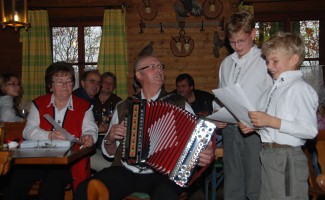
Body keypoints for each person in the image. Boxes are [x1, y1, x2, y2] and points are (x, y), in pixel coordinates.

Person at [75, 55, 215, 200]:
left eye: (160, 67)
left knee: (165, 195)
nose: (159, 70)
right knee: (85, 190)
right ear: (139, 75)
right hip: (125, 171)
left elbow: (198, 139)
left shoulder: (179, 103)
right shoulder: (124, 106)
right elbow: (110, 153)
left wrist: (204, 151)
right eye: (152, 67)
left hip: (162, 175)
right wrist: (110, 138)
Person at [238, 32, 318, 199]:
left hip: (286, 158)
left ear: (293, 59)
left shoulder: (299, 89)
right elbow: (274, 128)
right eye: (267, 61)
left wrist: (271, 121)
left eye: (275, 61)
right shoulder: (275, 88)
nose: (269, 66)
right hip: (269, 156)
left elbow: (309, 130)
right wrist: (256, 127)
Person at [4, 62, 98, 200]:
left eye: (69, 81)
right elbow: (28, 131)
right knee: (16, 181)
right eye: (60, 82)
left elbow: (90, 127)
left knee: (51, 186)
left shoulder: (84, 106)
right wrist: (49, 135)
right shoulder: (39, 103)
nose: (65, 85)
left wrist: (89, 136)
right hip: (39, 160)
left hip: (68, 163)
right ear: (50, 85)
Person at [214, 10, 273, 199]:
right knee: (232, 185)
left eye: (241, 41)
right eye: (232, 42)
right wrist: (217, 113)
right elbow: (221, 96)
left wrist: (260, 118)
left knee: (255, 185)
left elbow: (275, 97)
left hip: (255, 131)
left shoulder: (266, 61)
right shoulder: (226, 63)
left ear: (253, 34)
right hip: (231, 129)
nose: (237, 46)